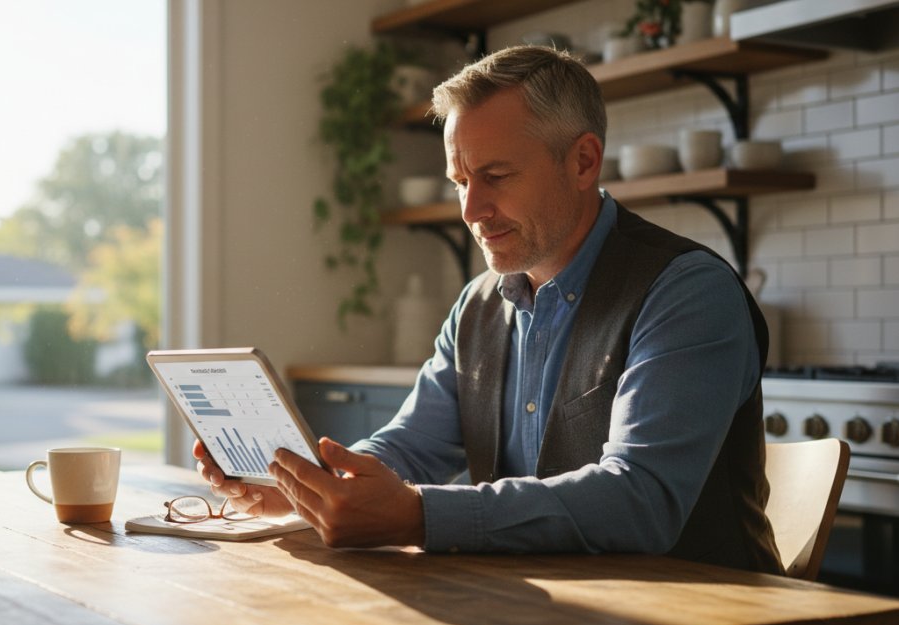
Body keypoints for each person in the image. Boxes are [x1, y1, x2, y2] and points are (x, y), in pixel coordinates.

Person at [195, 45, 783, 574]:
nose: (471, 209)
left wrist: (419, 516)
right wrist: (308, 488)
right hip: (555, 622)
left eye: (496, 175)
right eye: (459, 180)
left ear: (583, 161)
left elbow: (641, 500)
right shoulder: (478, 305)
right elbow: (410, 445)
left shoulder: (686, 292)